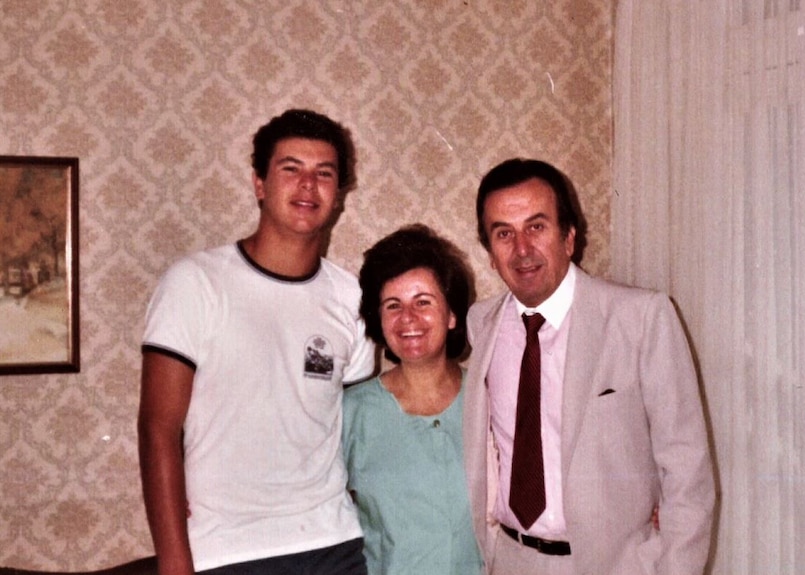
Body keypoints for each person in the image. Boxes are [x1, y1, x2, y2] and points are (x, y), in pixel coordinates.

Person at [138, 109, 376, 575]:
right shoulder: (196, 283)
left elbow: (360, 428)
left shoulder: (352, 298)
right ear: (259, 184)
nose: (308, 186)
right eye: (291, 169)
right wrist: (173, 562)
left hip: (336, 545)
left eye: (323, 174)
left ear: (339, 195)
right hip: (227, 552)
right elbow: (157, 429)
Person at [462, 158, 715, 574]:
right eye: (503, 233)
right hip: (510, 560)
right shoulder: (481, 325)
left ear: (569, 237)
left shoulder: (640, 318)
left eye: (537, 226)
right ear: (490, 253)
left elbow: (687, 471)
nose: (522, 248)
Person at [341, 224, 483, 575]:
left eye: (423, 302)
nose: (408, 319)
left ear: (451, 315)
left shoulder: (491, 397)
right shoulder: (351, 412)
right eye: (393, 305)